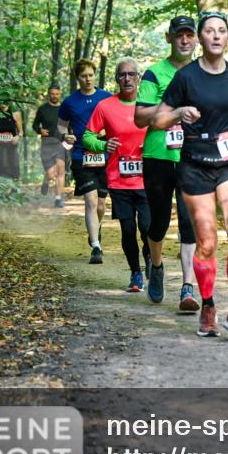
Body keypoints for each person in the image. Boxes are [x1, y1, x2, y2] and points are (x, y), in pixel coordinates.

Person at [150, 12, 228, 341]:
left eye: (221, 31)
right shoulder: (186, 78)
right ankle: (209, 305)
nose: (215, 36)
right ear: (200, 38)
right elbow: (156, 120)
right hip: (195, 161)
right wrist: (179, 113)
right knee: (208, 243)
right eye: (209, 31)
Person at [133, 16, 200, 311]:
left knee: (190, 222)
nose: (184, 40)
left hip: (193, 157)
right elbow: (139, 117)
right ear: (168, 38)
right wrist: (174, 110)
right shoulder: (153, 74)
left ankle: (188, 286)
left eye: (189, 35)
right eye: (179, 35)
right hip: (158, 156)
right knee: (157, 223)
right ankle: (157, 266)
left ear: (196, 39)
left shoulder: (204, 73)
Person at [82, 58, 152, 293]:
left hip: (147, 178)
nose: (127, 79)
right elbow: (87, 136)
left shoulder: (149, 104)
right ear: (116, 79)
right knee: (128, 229)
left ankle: (151, 256)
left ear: (139, 78)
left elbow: (166, 130)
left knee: (147, 226)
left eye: (132, 74)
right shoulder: (106, 106)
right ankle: (135, 273)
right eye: (122, 75)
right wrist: (103, 145)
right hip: (118, 179)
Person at [59, 58, 113, 264]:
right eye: (83, 76)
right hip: (82, 156)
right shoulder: (70, 102)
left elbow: (116, 121)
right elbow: (61, 125)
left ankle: (96, 231)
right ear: (78, 78)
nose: (88, 79)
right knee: (90, 201)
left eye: (90, 75)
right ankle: (96, 246)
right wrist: (66, 136)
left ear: (95, 75)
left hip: (105, 155)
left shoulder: (106, 97)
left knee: (100, 203)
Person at [32, 83, 67, 208]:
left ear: (60, 94)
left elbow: (70, 124)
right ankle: (46, 180)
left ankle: (58, 199)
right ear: (49, 94)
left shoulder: (64, 108)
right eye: (52, 94)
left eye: (57, 94)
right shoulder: (43, 109)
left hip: (60, 143)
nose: (54, 96)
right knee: (51, 173)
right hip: (47, 143)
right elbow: (35, 125)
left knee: (61, 168)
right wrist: (39, 130)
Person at [0, 104, 23, 179]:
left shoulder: (16, 114)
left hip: (12, 145)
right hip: (0, 145)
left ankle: (14, 188)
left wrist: (18, 137)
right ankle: (2, 188)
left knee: (15, 166)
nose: (2, 103)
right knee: (3, 166)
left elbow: (21, 132)